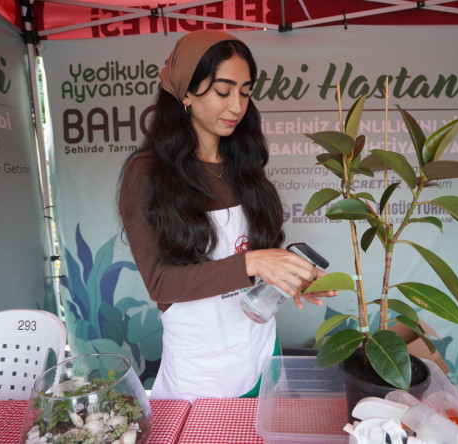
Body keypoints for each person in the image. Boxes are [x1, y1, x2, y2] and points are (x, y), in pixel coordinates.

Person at [118, 29, 337, 402]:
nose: (237, 106)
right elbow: (159, 283)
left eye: (245, 91)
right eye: (223, 91)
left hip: (261, 350)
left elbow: (259, 253)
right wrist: (251, 262)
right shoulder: (148, 173)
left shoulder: (243, 165)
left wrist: (286, 273)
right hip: (202, 371)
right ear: (186, 92)